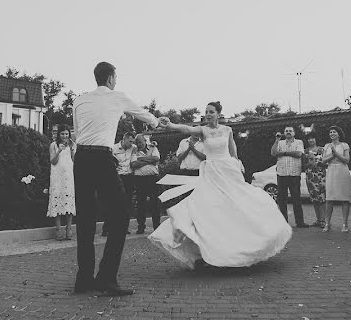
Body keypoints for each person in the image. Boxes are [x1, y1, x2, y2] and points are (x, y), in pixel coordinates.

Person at [149, 102, 292, 268]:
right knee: (211, 207)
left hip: (228, 170)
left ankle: (242, 245)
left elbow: (232, 149)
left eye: (211, 112)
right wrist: (171, 124)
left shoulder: (227, 130)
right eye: (206, 112)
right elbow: (187, 129)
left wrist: (238, 163)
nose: (208, 114)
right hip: (211, 172)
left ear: (218, 114)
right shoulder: (203, 130)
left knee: (236, 205)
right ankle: (209, 248)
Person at [72, 62, 159, 296]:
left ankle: (84, 279)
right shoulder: (117, 97)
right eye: (116, 77)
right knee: (120, 215)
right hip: (101, 157)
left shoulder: (78, 101)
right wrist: (159, 122)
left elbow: (78, 134)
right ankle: (107, 278)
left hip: (81, 158)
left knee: (85, 217)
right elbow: (145, 116)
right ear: (110, 79)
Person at [271, 126, 308, 227]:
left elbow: (299, 154)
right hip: (282, 174)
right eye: (286, 131)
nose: (288, 132)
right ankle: (284, 222)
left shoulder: (299, 142)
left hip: (294, 174)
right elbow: (273, 153)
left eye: (290, 131)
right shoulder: (280, 142)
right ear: (284, 133)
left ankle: (300, 222)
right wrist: (277, 140)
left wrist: (283, 153)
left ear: (294, 133)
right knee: (282, 200)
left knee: (296, 199)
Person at [105, 131, 137, 237]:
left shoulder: (133, 148)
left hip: (129, 177)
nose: (131, 143)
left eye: (133, 141)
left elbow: (145, 146)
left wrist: (153, 143)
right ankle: (107, 228)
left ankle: (124, 228)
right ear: (124, 139)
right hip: (117, 177)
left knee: (127, 203)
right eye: (130, 141)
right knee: (113, 203)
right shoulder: (113, 148)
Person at [47, 125, 76, 240]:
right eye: (62, 134)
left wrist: (73, 149)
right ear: (59, 134)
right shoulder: (53, 145)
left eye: (66, 134)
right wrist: (59, 150)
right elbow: (53, 161)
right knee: (57, 200)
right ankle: (58, 229)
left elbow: (74, 160)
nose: (65, 136)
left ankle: (69, 228)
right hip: (57, 176)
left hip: (68, 176)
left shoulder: (72, 145)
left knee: (68, 201)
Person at [322, 126, 351, 232]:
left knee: (345, 199)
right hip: (331, 171)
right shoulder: (326, 146)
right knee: (329, 199)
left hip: (342, 170)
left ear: (338, 134)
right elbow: (323, 161)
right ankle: (327, 223)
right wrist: (332, 156)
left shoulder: (344, 145)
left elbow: (346, 160)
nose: (332, 134)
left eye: (334, 132)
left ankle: (345, 224)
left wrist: (336, 153)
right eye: (330, 132)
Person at [132, 134, 161, 234]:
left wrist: (141, 159)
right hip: (139, 180)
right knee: (140, 204)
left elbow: (156, 159)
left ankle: (157, 226)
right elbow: (134, 164)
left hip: (153, 179)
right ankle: (141, 227)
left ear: (145, 141)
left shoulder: (153, 148)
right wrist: (149, 160)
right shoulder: (134, 151)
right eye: (137, 142)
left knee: (155, 203)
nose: (139, 144)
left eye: (140, 141)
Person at [303, 134, 327, 228]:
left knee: (322, 198)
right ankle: (318, 220)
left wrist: (319, 163)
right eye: (309, 139)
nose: (311, 140)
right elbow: (303, 166)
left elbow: (327, 163)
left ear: (316, 139)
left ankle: (323, 220)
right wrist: (310, 163)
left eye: (312, 138)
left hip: (320, 176)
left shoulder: (322, 150)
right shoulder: (305, 151)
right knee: (314, 199)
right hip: (310, 177)